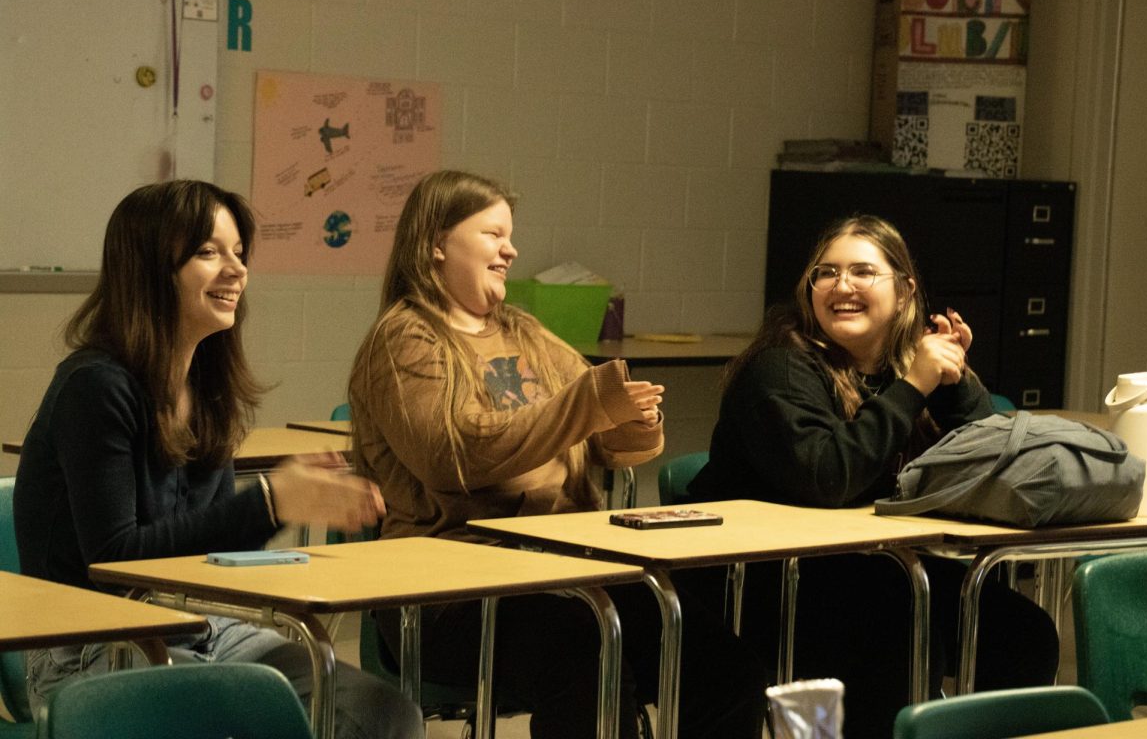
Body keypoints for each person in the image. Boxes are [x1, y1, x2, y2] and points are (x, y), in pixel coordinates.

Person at [348, 169, 766, 738]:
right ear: (436, 244)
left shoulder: (524, 331)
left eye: (509, 235)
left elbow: (603, 437)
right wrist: (592, 404)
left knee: (722, 661)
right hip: (446, 595)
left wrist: (634, 425)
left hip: (561, 571)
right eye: (493, 233)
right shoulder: (403, 340)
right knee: (587, 640)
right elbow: (456, 454)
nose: (510, 249)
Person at [13, 181, 423, 739]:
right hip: (95, 648)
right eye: (209, 252)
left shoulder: (207, 386)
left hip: (202, 629)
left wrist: (279, 521)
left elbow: (204, 555)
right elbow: (117, 563)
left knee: (382, 715)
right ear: (152, 269)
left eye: (238, 252)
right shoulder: (95, 387)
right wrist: (273, 503)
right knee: (256, 718)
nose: (237, 270)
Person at [686, 214, 1059, 739]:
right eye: (827, 273)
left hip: (872, 573)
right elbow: (830, 476)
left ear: (905, 292)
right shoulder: (780, 368)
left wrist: (952, 381)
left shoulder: (907, 368)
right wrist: (915, 385)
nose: (842, 286)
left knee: (1024, 634)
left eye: (863, 272)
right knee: (895, 627)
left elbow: (997, 460)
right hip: (768, 585)